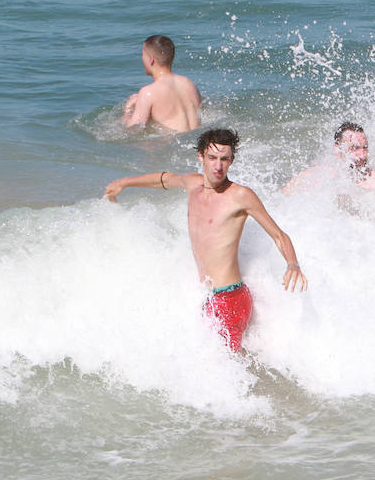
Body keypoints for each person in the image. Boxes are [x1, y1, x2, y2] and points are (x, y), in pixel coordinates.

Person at [103, 128, 306, 351]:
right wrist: (125, 182)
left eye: (224, 159)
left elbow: (278, 234)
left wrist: (293, 264)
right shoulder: (192, 184)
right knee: (215, 364)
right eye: (212, 158)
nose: (218, 166)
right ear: (200, 156)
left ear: (231, 161)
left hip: (230, 299)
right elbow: (164, 180)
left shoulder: (240, 196)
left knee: (221, 370)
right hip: (206, 296)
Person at [282, 121, 375, 199]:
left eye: (365, 148)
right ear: (338, 149)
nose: (362, 155)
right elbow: (281, 201)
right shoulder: (314, 176)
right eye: (355, 148)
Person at [122, 34, 203, 132]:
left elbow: (131, 131)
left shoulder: (148, 92)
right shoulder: (189, 83)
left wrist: (128, 110)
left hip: (173, 144)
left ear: (151, 59)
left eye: (142, 55)